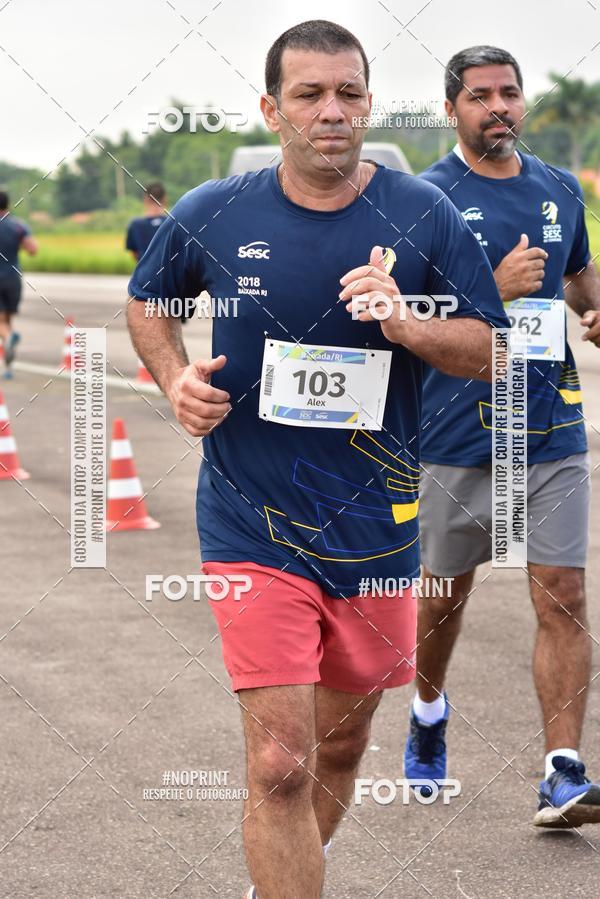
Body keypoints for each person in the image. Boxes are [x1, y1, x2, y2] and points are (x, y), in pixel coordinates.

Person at [127, 21, 508, 898]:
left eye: (348, 93)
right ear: (271, 109)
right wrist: (177, 378)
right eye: (308, 94)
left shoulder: (423, 213)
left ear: (370, 102)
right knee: (279, 761)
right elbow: (149, 302)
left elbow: (490, 346)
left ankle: (280, 880)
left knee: (337, 744)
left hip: (377, 527)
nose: (330, 111)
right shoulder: (215, 209)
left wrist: (404, 322)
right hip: (250, 520)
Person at [404, 45, 600, 828]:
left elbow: (578, 271)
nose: (499, 108)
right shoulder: (421, 197)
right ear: (452, 108)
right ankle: (426, 708)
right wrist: (491, 287)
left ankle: (562, 770)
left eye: (510, 93)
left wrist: (593, 304)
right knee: (443, 599)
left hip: (550, 429)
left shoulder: (558, 187)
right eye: (481, 96)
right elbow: (395, 319)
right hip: (454, 436)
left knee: (566, 595)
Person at [0, 191, 37, 377]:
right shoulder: (18, 226)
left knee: (1, 324)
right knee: (6, 320)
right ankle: (8, 368)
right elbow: (32, 249)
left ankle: (8, 338)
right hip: (13, 278)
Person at [125, 181, 168, 261]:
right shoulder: (172, 224)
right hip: (168, 272)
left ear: (145, 199)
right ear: (165, 199)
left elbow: (135, 254)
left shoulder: (135, 225)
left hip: (144, 272)